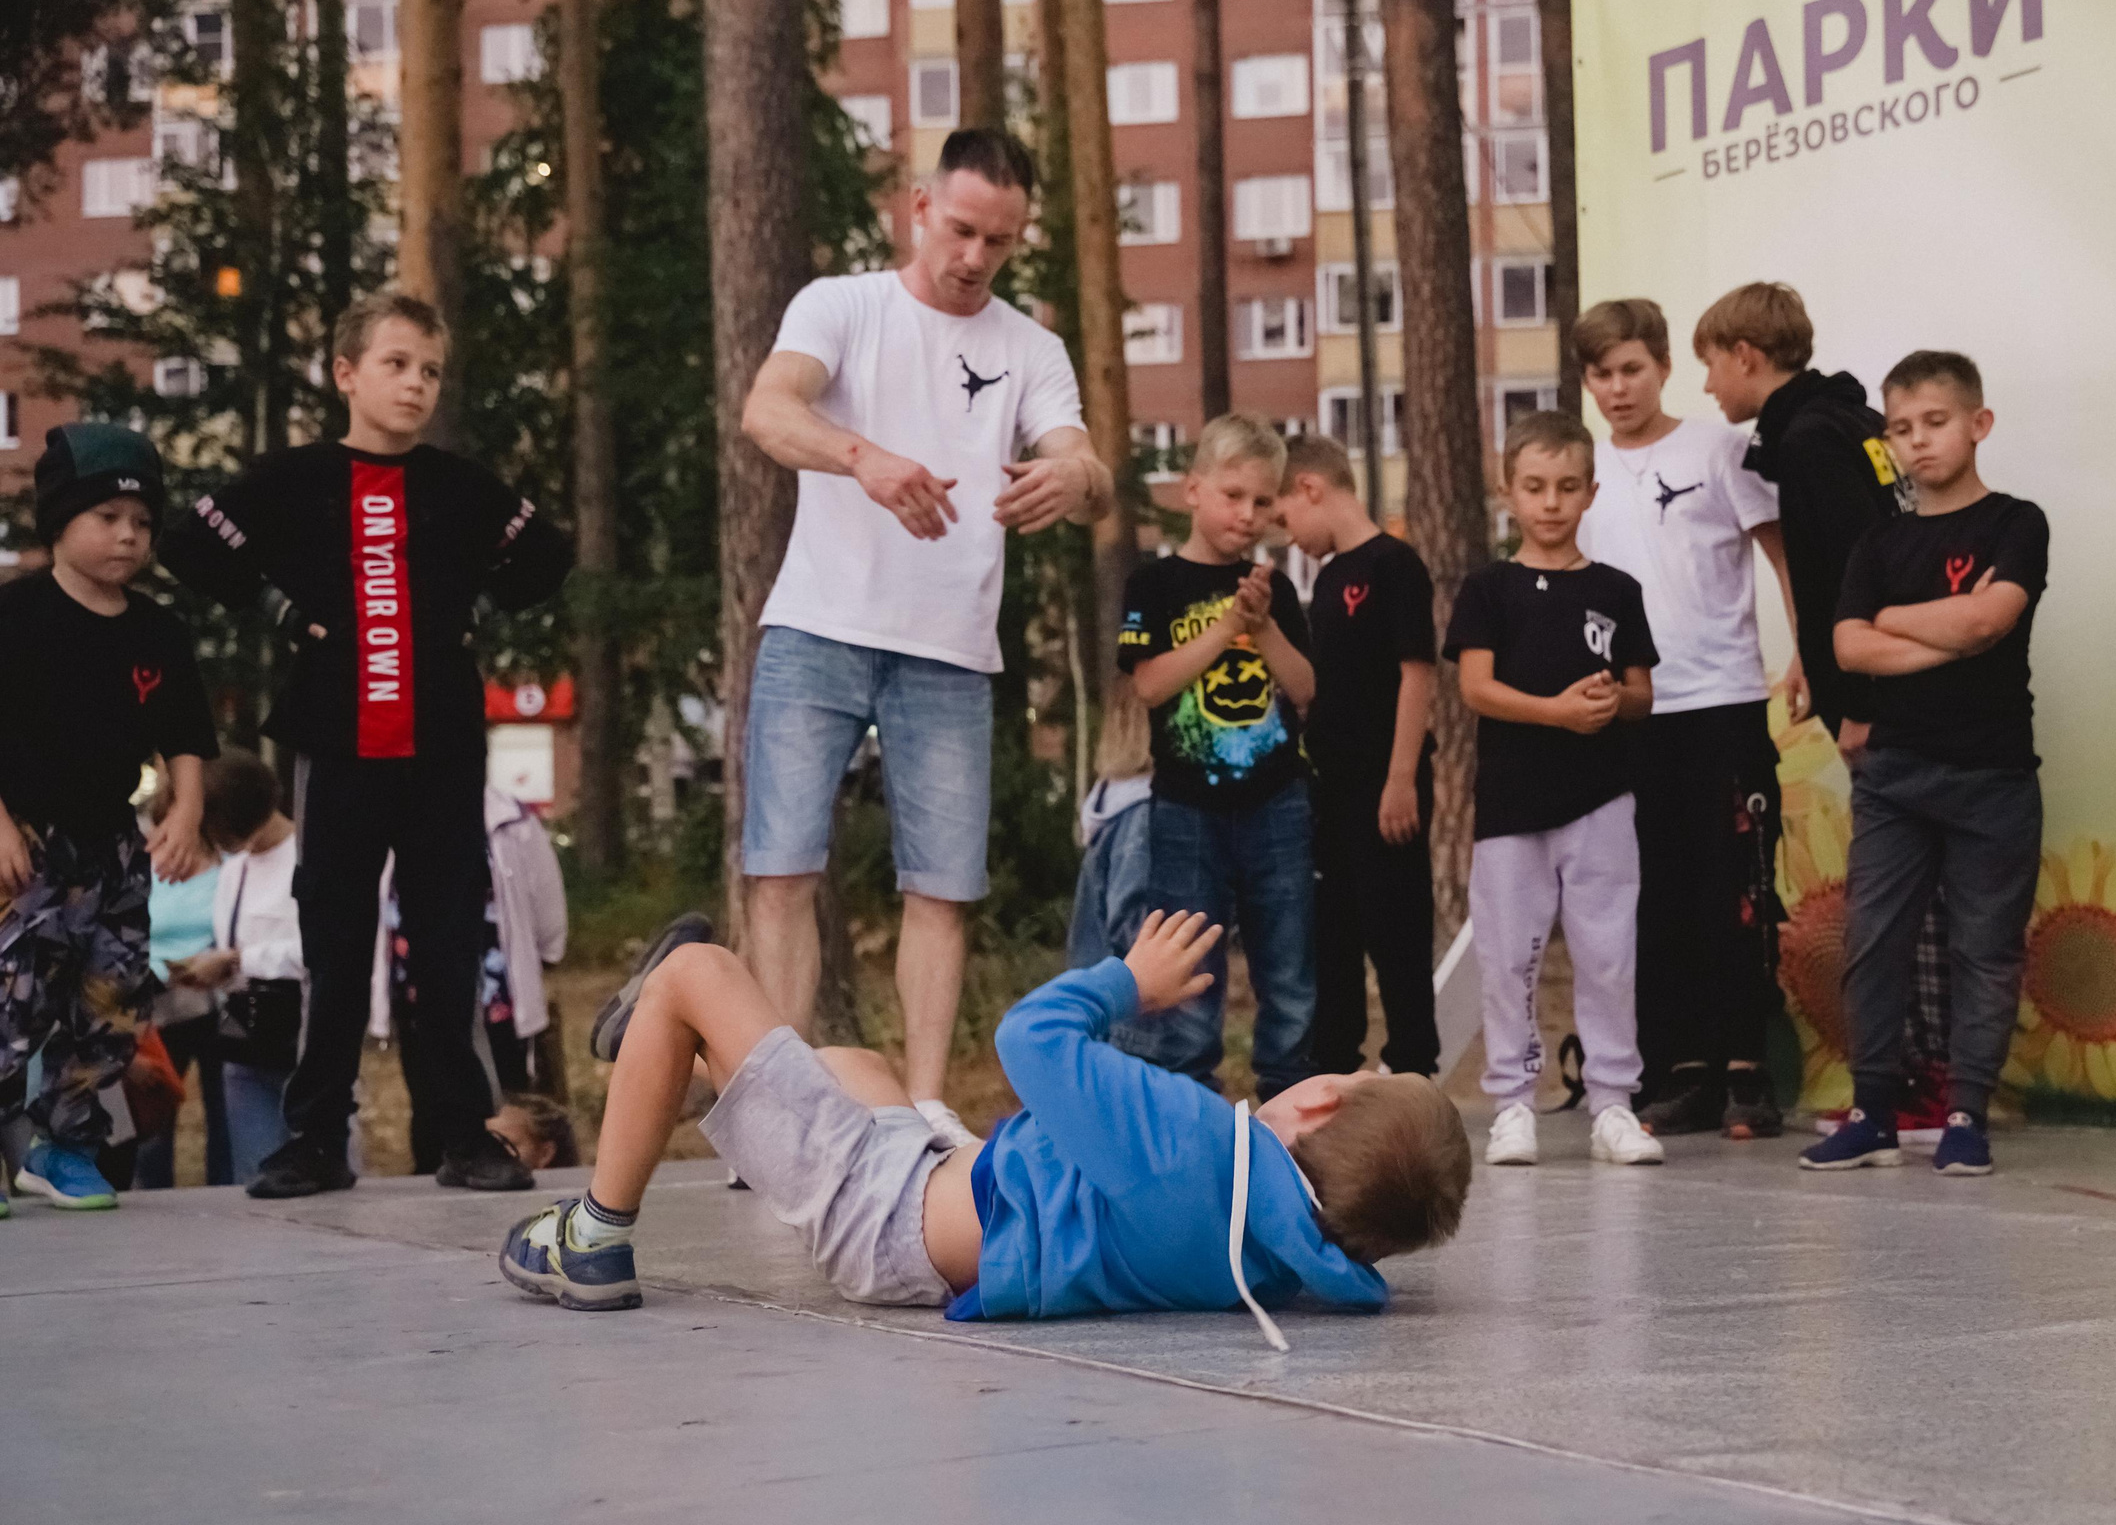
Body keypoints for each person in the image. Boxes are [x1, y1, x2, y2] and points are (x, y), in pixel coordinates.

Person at [497, 910, 1470, 1347]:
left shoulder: (1194, 1145)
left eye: (1351, 1072)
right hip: (935, 1180)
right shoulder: (1282, 1252)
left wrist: (1127, 981)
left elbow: (1029, 1038)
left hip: (883, 1212)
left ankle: (591, 1234)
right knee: (855, 1069)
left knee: (699, 971)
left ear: (1321, 1104)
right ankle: (665, 1057)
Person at [737, 128, 1108, 1143]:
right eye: (960, 231)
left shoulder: (1030, 347)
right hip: (817, 623)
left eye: (1000, 240)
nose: (975, 257)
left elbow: (1088, 465)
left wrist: (1070, 476)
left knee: (942, 884)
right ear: (916, 209)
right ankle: (779, 1113)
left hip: (950, 645)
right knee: (780, 870)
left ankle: (927, 1107)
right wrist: (863, 459)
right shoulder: (841, 304)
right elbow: (767, 410)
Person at [161, 290, 573, 1198]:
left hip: (443, 747)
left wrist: (473, 603)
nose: (416, 384)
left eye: (430, 370)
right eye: (396, 364)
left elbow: (548, 556)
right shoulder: (292, 480)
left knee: (446, 941)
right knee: (335, 940)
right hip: (338, 744)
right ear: (347, 373)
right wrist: (279, 607)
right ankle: (313, 1137)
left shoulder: (461, 488)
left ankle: (464, 1133)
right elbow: (189, 545)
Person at [1702, 282, 1953, 1141]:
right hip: (1896, 687)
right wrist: (1814, 657)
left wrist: (1862, 702)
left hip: (1887, 700)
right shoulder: (1844, 423)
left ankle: (1923, 1081)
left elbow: (1863, 562)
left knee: (1901, 894)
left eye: (1709, 365)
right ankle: (1925, 1075)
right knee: (1911, 887)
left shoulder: (1810, 440)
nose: (1707, 389)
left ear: (1746, 357)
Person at [1802, 353, 2048, 1179]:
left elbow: (1991, 624)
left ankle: (1966, 1112)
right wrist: (1947, 624)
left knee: (1986, 948)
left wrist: (1897, 626)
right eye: (1901, 429)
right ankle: (1872, 1108)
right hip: (1894, 773)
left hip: (1994, 775)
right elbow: (1846, 647)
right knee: (1874, 939)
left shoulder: (2018, 523)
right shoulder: (1878, 540)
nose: (1918, 442)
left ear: (1978, 424)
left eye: (1935, 422)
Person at [1571, 299, 1795, 1137]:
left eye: (1632, 368)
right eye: (1601, 373)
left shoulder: (1719, 448)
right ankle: (1680, 1067)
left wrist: (1807, 652)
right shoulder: (1584, 472)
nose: (1618, 387)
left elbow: (1782, 558)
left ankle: (1747, 1067)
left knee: (1735, 889)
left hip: (1723, 699)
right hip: (1632, 713)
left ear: (1662, 366)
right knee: (1652, 895)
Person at [0, 424, 216, 1214]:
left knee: (115, 1001)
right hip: (24, 842)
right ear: (58, 521)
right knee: (13, 1001)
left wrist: (185, 810)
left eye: (143, 523)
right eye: (107, 518)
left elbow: (187, 738)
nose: (128, 535)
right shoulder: (15, 614)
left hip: (114, 849)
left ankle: (65, 1147)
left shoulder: (160, 630)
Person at [1447, 410, 1662, 1168]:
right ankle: (1512, 1101)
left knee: (1608, 953)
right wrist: (1555, 713)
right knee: (1510, 957)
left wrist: (1610, 704)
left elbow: (1642, 693)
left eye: (1568, 486)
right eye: (1534, 486)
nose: (1551, 502)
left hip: (1603, 798)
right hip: (1512, 804)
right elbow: (1476, 687)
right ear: (1508, 492)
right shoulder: (1488, 588)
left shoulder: (1616, 589)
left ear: (1591, 492)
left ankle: (1613, 1102)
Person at [1115, 414, 1319, 1099]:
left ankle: (1287, 1097)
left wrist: (1261, 629)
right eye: (1233, 495)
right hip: (1186, 809)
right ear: (1192, 491)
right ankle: (1189, 1100)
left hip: (1276, 801)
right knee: (1190, 962)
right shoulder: (1155, 585)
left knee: (1288, 963)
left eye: (1264, 501)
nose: (1249, 514)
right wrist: (1227, 627)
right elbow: (1149, 683)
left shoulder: (1277, 591)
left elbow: (1304, 688)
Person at [1277, 432, 1439, 1080]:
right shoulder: (1328, 579)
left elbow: (1416, 674)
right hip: (1332, 787)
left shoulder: (1394, 566)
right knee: (1334, 933)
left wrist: (1400, 777)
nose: (1289, 535)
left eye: (1285, 516)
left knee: (1397, 932)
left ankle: (1413, 1066)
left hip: (1386, 782)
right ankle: (1334, 1065)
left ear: (1310, 489)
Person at [370, 783, 568, 1177]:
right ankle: (435, 1199)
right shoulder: (390, 812)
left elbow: (547, 911)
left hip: (496, 1001)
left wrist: (537, 960)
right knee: (429, 1110)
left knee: (505, 1110)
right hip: (421, 1002)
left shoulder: (511, 820)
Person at [179, 751, 305, 1178]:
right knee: (255, 1174)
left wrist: (239, 959)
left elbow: (322, 954)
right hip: (244, 1044)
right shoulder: (234, 872)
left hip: (302, 1042)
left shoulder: (307, 860)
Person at [138, 780, 230, 1188]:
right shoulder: (142, 867)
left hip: (216, 1003)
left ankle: (227, 1189)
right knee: (156, 1117)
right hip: (158, 1005)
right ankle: (152, 1197)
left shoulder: (227, 867)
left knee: (223, 1111)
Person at [1066, 683, 1153, 971]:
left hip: (1101, 989)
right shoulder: (1141, 812)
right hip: (1132, 997)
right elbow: (1130, 920)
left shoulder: (1114, 804)